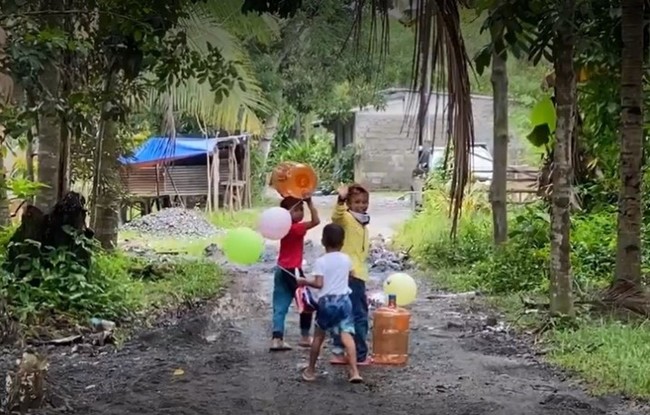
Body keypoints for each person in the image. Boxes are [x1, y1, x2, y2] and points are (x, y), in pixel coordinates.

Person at [298, 223, 363, 383]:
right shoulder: (346, 259)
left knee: (318, 337)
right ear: (342, 242)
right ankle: (354, 372)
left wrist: (304, 281)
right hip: (344, 301)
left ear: (323, 241)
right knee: (347, 336)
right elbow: (351, 275)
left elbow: (319, 283)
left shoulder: (321, 261)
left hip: (327, 303)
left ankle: (311, 370)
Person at [270, 196, 320, 352]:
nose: (300, 213)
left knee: (280, 305)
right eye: (297, 210)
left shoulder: (282, 229)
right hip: (293, 270)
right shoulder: (295, 228)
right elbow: (316, 221)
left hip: (280, 269)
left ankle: (276, 339)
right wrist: (310, 203)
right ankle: (305, 337)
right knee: (306, 303)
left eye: (302, 209)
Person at [329, 183, 372, 366]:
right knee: (359, 315)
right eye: (357, 202)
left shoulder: (362, 223)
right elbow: (336, 216)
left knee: (343, 313)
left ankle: (339, 352)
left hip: (355, 274)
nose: (361, 205)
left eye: (364, 202)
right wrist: (340, 199)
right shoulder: (346, 218)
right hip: (351, 275)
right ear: (349, 203)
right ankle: (360, 355)